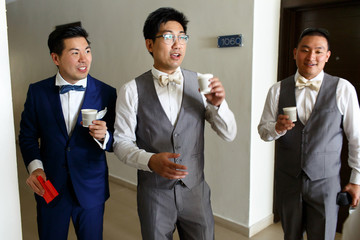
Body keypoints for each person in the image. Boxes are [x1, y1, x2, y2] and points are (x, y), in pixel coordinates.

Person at [113, 7, 237, 240]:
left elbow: (229, 134)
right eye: (169, 37)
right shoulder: (131, 90)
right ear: (150, 44)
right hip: (154, 194)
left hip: (195, 192)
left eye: (182, 37)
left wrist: (219, 105)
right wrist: (149, 160)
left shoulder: (201, 84)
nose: (177, 44)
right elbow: (121, 142)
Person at [258, 27, 360, 240]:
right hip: (288, 182)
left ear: (327, 56)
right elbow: (263, 132)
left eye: (318, 51)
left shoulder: (343, 89)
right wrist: (276, 128)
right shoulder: (277, 90)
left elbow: (356, 138)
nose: (311, 57)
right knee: (290, 235)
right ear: (295, 53)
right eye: (305, 50)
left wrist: (356, 179)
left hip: (326, 183)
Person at [19, 25, 117, 240]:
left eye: (87, 51)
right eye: (75, 53)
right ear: (56, 58)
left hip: (91, 188)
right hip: (51, 186)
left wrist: (105, 137)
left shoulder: (107, 93)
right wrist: (36, 168)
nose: (84, 59)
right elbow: (27, 136)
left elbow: (117, 139)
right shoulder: (37, 92)